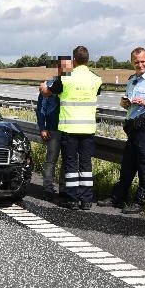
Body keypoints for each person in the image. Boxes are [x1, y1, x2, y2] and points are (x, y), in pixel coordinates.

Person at [98, 47, 145, 214]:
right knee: (128, 164)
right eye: (136, 62)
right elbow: (128, 105)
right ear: (132, 62)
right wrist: (125, 103)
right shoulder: (132, 79)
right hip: (133, 128)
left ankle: (140, 201)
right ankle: (118, 198)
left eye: (142, 61)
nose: (140, 64)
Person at [41, 46, 102, 210]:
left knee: (71, 165)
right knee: (86, 165)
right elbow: (97, 93)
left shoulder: (66, 78)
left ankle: (73, 199)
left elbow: (48, 92)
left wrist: (42, 87)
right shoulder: (96, 78)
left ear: (74, 60)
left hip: (70, 128)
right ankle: (86, 199)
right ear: (87, 59)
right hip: (88, 129)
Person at [36, 56, 70, 202]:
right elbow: (41, 108)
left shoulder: (72, 85)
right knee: (51, 159)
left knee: (67, 161)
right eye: (63, 67)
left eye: (69, 67)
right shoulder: (50, 84)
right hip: (53, 128)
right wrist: (42, 127)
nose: (66, 70)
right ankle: (48, 188)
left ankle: (63, 189)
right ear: (59, 68)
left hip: (69, 128)